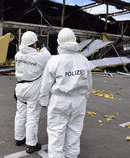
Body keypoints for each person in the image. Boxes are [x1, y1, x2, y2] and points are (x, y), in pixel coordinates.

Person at [39, 28, 92, 158]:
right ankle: (72, 155)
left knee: (56, 132)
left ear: (59, 42)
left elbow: (45, 84)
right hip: (79, 100)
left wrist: (44, 101)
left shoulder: (54, 60)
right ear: (74, 40)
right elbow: (89, 83)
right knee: (74, 132)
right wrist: (85, 97)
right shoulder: (83, 60)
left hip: (59, 100)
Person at [14, 31, 51, 154]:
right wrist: (43, 46)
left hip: (20, 87)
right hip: (33, 89)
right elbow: (48, 57)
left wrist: (36, 45)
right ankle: (31, 144)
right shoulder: (39, 57)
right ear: (34, 43)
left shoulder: (18, 55)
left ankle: (19, 138)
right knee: (32, 116)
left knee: (20, 114)